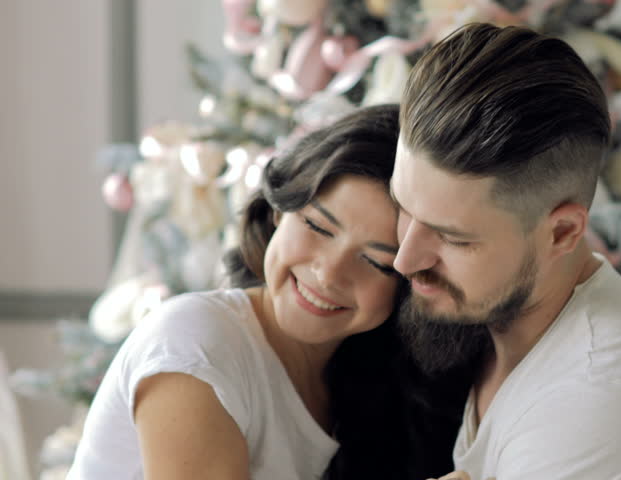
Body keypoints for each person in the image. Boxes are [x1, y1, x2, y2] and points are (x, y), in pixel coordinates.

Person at [391, 24, 621, 480]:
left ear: (562, 233)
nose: (404, 259)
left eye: (454, 238)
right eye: (402, 207)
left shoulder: (598, 404)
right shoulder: (502, 328)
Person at [68, 105, 468, 480]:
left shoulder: (367, 380)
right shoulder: (195, 343)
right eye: (317, 227)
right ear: (280, 210)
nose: (328, 274)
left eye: (377, 261)